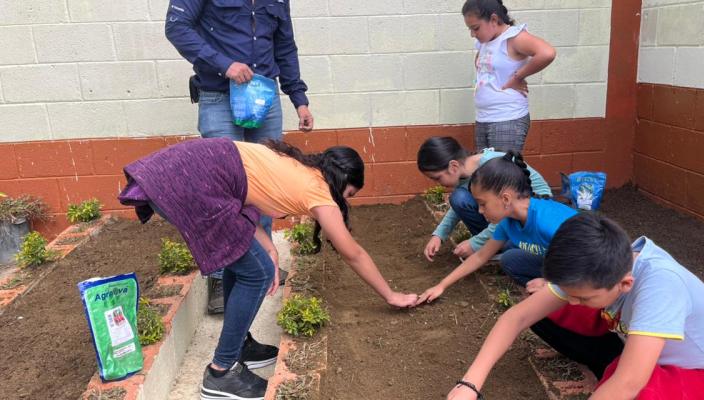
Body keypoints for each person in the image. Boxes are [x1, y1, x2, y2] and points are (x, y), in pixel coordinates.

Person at [119, 138, 418, 400]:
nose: (345, 203)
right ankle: (221, 373)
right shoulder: (317, 190)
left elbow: (244, 195)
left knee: (250, 264)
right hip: (189, 183)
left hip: (181, 173)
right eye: (349, 195)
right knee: (258, 273)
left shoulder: (298, 167)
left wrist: (270, 247)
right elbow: (352, 252)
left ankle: (238, 347)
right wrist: (390, 294)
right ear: (341, 182)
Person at [447, 213, 704, 400]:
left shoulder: (661, 285)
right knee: (546, 309)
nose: (574, 301)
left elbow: (630, 383)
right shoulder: (598, 264)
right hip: (655, 357)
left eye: (583, 297)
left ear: (625, 284)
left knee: (632, 387)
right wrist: (468, 385)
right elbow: (516, 318)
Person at [165, 0, 314, 313]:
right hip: (219, 96)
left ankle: (262, 265)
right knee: (222, 191)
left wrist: (299, 99)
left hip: (264, 96)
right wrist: (224, 64)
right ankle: (221, 278)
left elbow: (285, 45)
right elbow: (176, 27)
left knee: (265, 185)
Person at [417, 152, 622, 377]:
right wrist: (442, 285)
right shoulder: (508, 222)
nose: (479, 211)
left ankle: (583, 338)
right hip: (561, 266)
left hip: (591, 276)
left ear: (505, 198)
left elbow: (592, 263)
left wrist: (550, 283)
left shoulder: (549, 223)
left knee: (537, 305)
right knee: (512, 261)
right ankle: (562, 327)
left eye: (482, 204)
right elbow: (479, 256)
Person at [417, 136, 550, 261]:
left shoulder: (490, 168)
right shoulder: (466, 173)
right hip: (510, 212)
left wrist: (474, 243)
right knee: (459, 198)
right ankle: (495, 246)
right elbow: (458, 206)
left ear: (453, 166)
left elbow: (504, 213)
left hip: (535, 215)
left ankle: (500, 247)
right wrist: (439, 235)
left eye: (437, 178)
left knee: (513, 255)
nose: (436, 183)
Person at [463, 0, 556, 152]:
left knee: (503, 173)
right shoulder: (486, 41)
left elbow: (547, 53)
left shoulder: (513, 37)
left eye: (476, 28)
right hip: (484, 117)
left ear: (494, 19)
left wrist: (517, 77)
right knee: (486, 172)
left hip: (507, 117)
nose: (473, 34)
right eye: (470, 29)